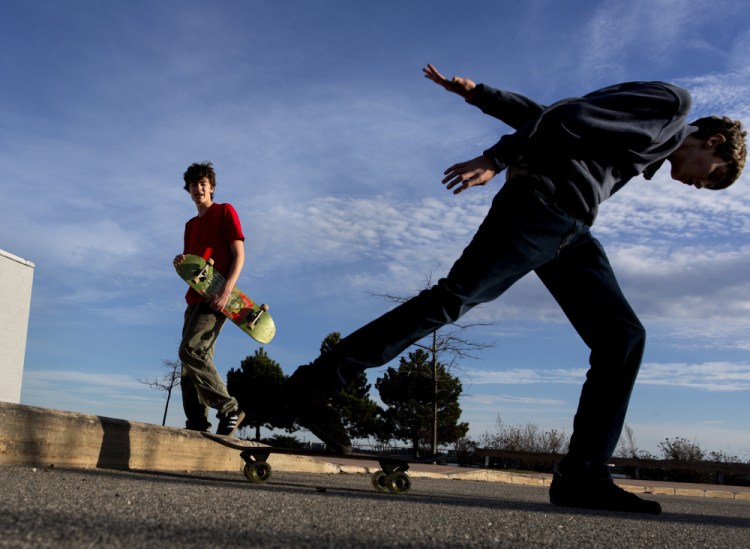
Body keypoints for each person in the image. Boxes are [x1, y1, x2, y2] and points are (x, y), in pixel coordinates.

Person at [283, 65, 746, 514]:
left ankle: (584, 475)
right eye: (710, 177)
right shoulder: (672, 107)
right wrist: (496, 158)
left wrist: (483, 96)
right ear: (714, 142)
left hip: (569, 230)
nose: (697, 185)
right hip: (540, 208)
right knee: (452, 299)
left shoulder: (650, 137)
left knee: (622, 338)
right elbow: (567, 116)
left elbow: (553, 118)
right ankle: (312, 385)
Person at [173, 161, 246, 436]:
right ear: (188, 190)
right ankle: (197, 425)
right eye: (193, 185)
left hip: (217, 297)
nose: (198, 188)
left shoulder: (225, 211)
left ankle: (230, 409)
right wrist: (181, 262)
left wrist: (226, 291)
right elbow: (194, 265)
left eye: (203, 183)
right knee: (189, 365)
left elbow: (239, 254)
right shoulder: (190, 225)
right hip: (193, 298)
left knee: (190, 350)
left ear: (211, 187)